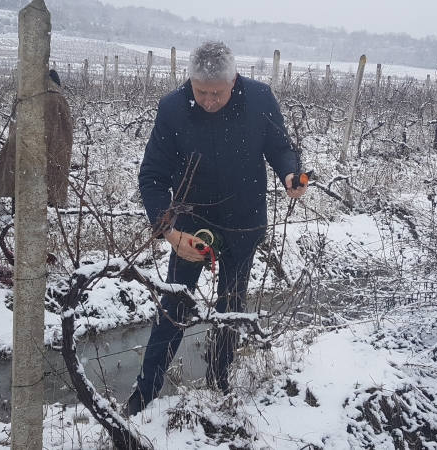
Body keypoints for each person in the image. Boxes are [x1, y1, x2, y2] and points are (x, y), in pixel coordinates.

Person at [126, 41, 307, 416]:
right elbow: (153, 177)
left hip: (244, 223)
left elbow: (279, 147)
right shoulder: (173, 108)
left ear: (234, 80)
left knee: (231, 305)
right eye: (201, 92)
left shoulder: (259, 99)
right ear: (190, 82)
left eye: (217, 93)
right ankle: (144, 393)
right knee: (174, 307)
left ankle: (219, 379)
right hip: (192, 228)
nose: (208, 100)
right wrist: (170, 232)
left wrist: (290, 173)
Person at [0, 69, 73, 208]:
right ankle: (50, 208)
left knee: (20, 176)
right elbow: (65, 132)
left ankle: (18, 210)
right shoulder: (58, 98)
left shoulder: (24, 95)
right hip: (51, 151)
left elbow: (14, 125)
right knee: (50, 176)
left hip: (23, 151)